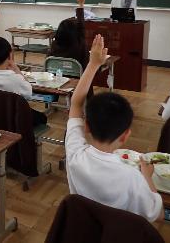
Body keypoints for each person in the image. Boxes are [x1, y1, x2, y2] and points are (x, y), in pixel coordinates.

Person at [65, 34, 163, 222]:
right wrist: (147, 177)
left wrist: (93, 64)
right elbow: (158, 215)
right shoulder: (132, 178)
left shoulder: (74, 154)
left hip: (82, 230)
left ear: (86, 127)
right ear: (125, 135)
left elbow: (76, 104)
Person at [0, 5, 46, 126]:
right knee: (42, 118)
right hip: (13, 120)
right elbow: (29, 93)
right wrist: (16, 68)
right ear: (10, 56)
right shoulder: (15, 79)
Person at [49, 0, 88, 69]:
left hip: (58, 78)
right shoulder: (80, 45)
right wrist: (81, 4)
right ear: (74, 33)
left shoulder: (54, 46)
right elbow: (81, 27)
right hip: (79, 79)